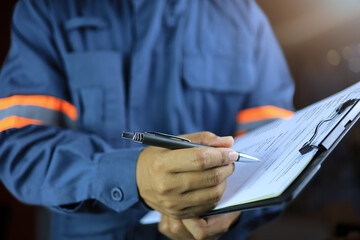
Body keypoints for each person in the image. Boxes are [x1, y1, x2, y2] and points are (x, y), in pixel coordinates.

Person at [0, 0, 294, 239]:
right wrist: (131, 175)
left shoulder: (244, 17)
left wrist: (233, 205)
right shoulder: (48, 9)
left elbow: (281, 152)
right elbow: (21, 147)